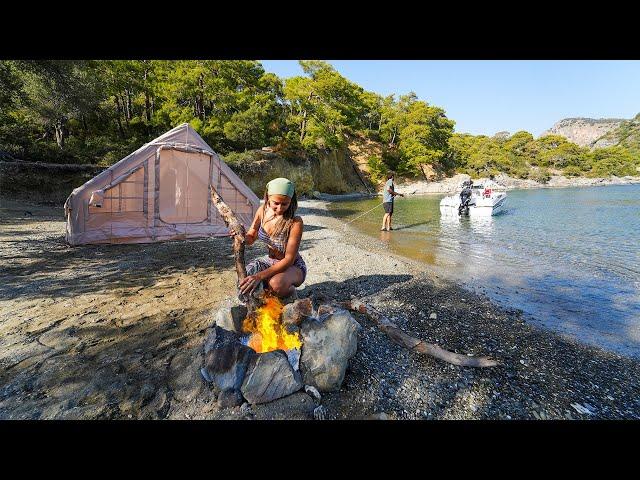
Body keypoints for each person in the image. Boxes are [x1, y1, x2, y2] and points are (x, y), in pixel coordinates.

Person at [237, 177, 306, 299]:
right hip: (269, 261)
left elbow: (289, 259)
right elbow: (251, 236)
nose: (280, 208)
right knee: (244, 279)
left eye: (285, 204)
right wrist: (241, 236)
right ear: (268, 197)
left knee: (275, 285)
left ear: (291, 201)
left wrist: (259, 276)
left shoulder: (295, 222)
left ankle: (290, 292)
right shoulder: (262, 211)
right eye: (276, 203)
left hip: (293, 266)